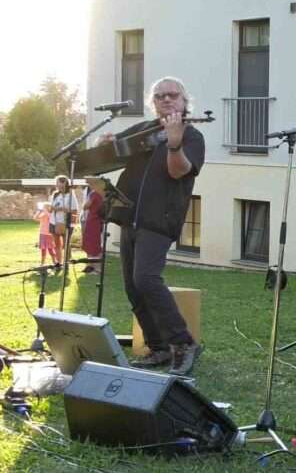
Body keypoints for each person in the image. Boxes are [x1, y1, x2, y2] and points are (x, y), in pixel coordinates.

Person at [103, 76, 205, 376]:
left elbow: (179, 172)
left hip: (160, 220)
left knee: (146, 278)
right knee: (133, 286)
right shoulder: (143, 130)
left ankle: (183, 343)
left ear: (184, 101)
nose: (166, 99)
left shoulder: (192, 136)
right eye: (160, 96)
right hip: (130, 216)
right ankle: (158, 347)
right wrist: (104, 144)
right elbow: (113, 152)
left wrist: (174, 144)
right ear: (153, 102)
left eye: (173, 94)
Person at [49, 175, 79, 270]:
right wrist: (57, 208)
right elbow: (50, 208)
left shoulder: (71, 195)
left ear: (65, 184)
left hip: (66, 222)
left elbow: (75, 210)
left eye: (60, 184)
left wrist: (66, 210)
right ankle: (58, 263)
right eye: (57, 184)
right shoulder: (55, 195)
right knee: (57, 244)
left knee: (66, 244)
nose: (58, 186)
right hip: (54, 222)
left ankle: (67, 262)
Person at [81, 183, 105, 273]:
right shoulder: (103, 194)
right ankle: (90, 265)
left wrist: (86, 202)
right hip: (99, 220)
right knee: (92, 243)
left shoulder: (94, 194)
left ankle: (97, 268)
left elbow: (85, 206)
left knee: (93, 243)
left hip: (93, 220)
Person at [33, 202, 57, 266]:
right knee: (45, 249)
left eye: (44, 207)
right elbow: (35, 218)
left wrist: (41, 210)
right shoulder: (45, 214)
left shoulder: (48, 214)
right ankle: (44, 263)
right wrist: (39, 211)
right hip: (44, 234)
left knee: (49, 249)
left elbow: (35, 218)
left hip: (47, 234)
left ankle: (54, 262)